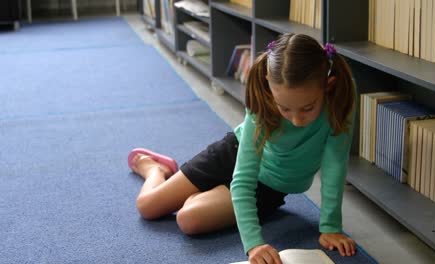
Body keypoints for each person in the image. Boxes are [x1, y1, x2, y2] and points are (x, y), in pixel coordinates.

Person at [128, 33, 356, 264]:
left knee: (188, 219)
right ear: (269, 83)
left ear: (328, 86)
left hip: (269, 186)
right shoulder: (264, 102)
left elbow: (334, 167)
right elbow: (243, 176)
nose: (296, 120)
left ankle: (210, 195)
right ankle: (156, 170)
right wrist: (254, 244)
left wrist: (330, 227)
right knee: (147, 207)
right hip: (233, 152)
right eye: (285, 109)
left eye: (308, 108)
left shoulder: (341, 103)